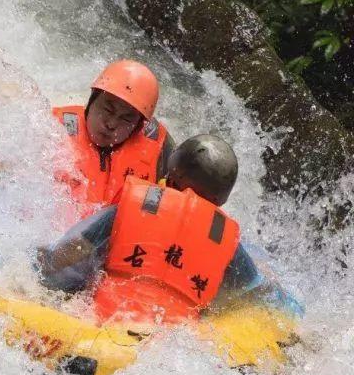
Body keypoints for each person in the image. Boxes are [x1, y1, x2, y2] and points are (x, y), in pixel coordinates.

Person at [38, 134, 270, 326]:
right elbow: (250, 293)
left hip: (104, 322)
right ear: (219, 203)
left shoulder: (130, 209)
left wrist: (36, 263)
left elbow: (65, 254)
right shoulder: (225, 241)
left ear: (172, 178)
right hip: (174, 343)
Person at [53, 59, 174, 213]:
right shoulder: (53, 129)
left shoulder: (162, 153)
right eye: (107, 110)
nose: (111, 124)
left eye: (126, 119)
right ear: (91, 101)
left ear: (138, 126)